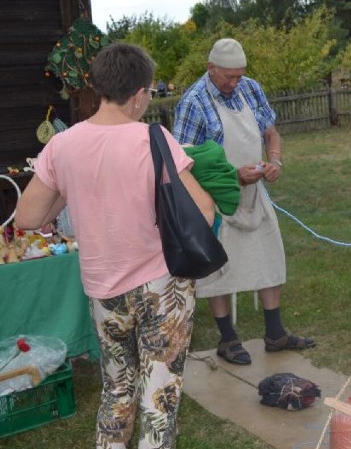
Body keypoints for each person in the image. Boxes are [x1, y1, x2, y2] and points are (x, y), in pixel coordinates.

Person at [16, 43, 215, 448]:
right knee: (160, 396)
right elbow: (205, 211)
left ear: (98, 87)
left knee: (117, 388)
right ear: (140, 93)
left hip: (103, 289)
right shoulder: (153, 138)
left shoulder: (62, 145)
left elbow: (27, 219)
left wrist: (68, 189)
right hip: (161, 287)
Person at [172, 38, 314, 366]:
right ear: (211, 69)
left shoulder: (250, 89)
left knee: (269, 256)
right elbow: (183, 162)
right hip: (216, 197)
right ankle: (228, 338)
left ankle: (275, 333)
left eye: (239, 75)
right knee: (221, 266)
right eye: (228, 77)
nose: (235, 83)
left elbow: (270, 133)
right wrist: (233, 177)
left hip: (254, 193)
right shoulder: (193, 102)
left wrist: (275, 161)